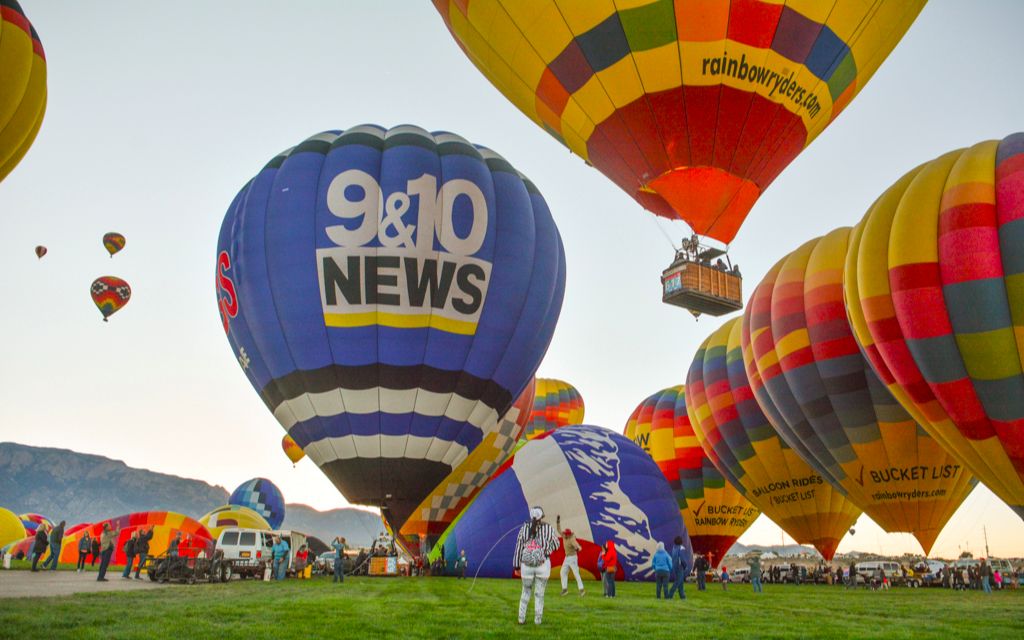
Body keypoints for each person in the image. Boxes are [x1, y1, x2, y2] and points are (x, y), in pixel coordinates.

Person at [512, 506, 558, 626]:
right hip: (543, 565)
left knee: (525, 592)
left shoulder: (524, 528)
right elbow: (556, 544)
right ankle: (538, 620)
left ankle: (521, 619)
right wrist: (545, 552)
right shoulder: (548, 528)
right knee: (539, 594)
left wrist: (516, 566)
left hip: (526, 566)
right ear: (542, 517)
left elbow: (519, 547)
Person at [555, 516, 583, 596]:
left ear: (569, 534)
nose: (565, 535)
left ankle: (581, 590)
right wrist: (558, 522)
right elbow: (559, 529)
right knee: (562, 572)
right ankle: (565, 589)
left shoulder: (572, 539)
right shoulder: (564, 536)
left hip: (573, 557)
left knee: (576, 573)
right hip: (567, 558)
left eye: (566, 534)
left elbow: (578, 547)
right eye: (565, 534)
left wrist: (578, 548)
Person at [665, 536, 688, 600]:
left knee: (680, 582)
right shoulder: (681, 548)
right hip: (680, 566)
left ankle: (682, 596)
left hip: (674, 566)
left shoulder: (674, 548)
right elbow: (682, 558)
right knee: (678, 581)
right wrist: (685, 566)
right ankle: (670, 595)